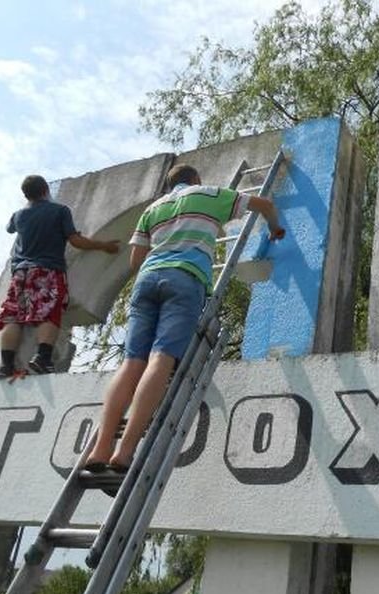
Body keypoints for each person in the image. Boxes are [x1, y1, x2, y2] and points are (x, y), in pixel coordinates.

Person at [84, 164, 285, 472]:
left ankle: (100, 449)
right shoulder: (207, 194)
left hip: (146, 281)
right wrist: (274, 228)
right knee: (161, 359)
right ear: (195, 179)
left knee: (132, 363)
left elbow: (136, 260)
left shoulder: (153, 209)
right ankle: (124, 452)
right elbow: (265, 205)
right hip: (185, 279)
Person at [0, 175, 120, 377]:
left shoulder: (18, 215)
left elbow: (10, 229)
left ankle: (5, 365)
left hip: (20, 273)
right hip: (47, 269)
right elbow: (75, 241)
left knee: (13, 317)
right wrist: (103, 246)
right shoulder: (59, 211)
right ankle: (42, 358)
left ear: (26, 195)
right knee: (49, 311)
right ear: (46, 190)